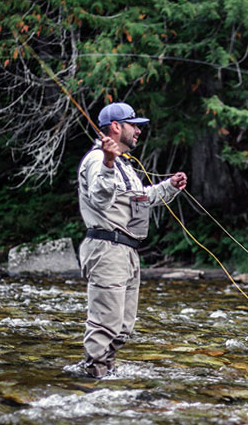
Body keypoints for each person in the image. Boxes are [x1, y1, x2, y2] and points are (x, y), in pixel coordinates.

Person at [77, 102, 187, 378]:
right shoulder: (96, 160)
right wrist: (108, 162)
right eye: (133, 124)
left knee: (123, 327)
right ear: (116, 127)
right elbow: (100, 200)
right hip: (106, 249)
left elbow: (141, 200)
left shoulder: (126, 165)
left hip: (126, 251)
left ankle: (105, 374)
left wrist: (169, 187)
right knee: (106, 324)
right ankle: (94, 381)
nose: (138, 130)